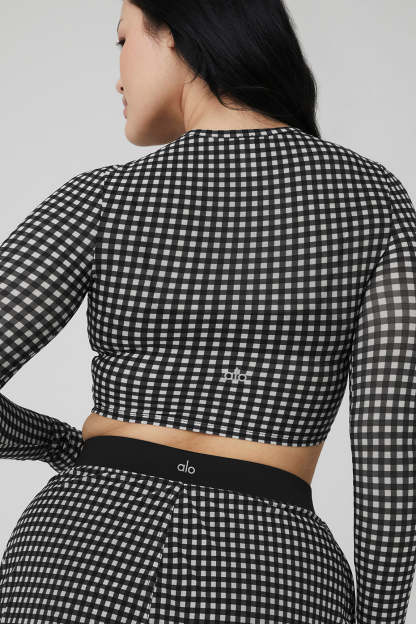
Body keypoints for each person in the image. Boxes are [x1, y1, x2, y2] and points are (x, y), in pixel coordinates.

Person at [1, 1, 415, 622]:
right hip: (273, 572)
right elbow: (390, 446)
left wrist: (56, 443)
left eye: (122, 41)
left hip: (81, 551)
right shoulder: (370, 201)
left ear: (175, 33)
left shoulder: (105, 198)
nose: (117, 76)